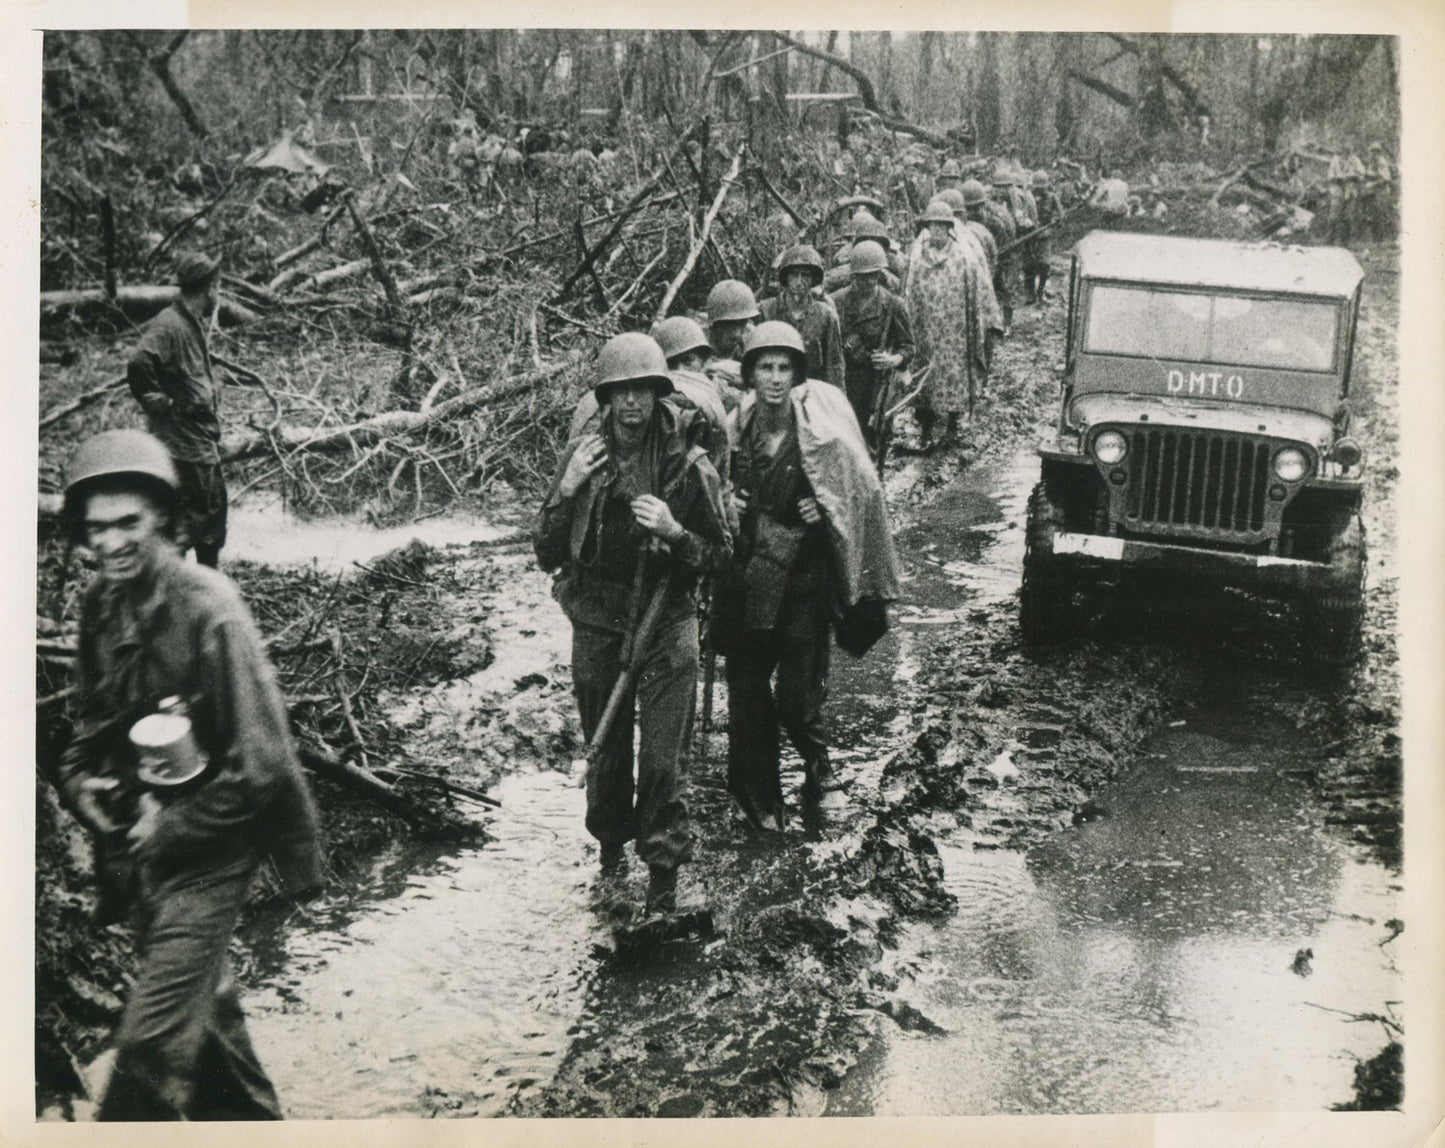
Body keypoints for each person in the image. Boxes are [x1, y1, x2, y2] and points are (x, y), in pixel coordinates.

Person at [55, 429, 322, 1121]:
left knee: (148, 1051)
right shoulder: (100, 606)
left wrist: (168, 824)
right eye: (96, 530)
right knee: (210, 1036)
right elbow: (88, 731)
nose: (110, 544)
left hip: (215, 847)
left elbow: (263, 765)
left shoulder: (211, 610)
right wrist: (84, 787)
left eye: (127, 525)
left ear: (164, 522)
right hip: (143, 851)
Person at [534, 333, 732, 914]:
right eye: (620, 394)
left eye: (643, 392)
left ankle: (663, 883)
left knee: (664, 758)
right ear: (605, 399)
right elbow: (545, 550)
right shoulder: (584, 457)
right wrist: (566, 491)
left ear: (657, 394)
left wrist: (675, 533)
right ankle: (610, 859)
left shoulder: (687, 464)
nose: (632, 406)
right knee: (607, 754)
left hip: (667, 616)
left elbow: (722, 556)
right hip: (597, 614)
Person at [714, 322, 900, 831]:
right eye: (764, 367)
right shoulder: (734, 430)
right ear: (749, 374)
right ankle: (759, 800)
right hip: (749, 580)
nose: (774, 378)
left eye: (784, 368)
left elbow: (853, 493)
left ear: (797, 374)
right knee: (749, 696)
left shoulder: (819, 435)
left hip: (801, 582)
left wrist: (823, 512)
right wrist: (725, 502)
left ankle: (820, 771)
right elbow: (709, 491)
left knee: (797, 701)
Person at [126, 252, 229, 568]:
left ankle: (201, 585)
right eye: (218, 287)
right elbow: (138, 362)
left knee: (209, 515)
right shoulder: (170, 324)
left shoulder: (188, 322)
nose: (219, 295)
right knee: (198, 519)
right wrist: (162, 403)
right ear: (209, 287)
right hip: (184, 443)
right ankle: (174, 580)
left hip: (195, 439)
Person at [904, 200, 1001, 447]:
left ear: (949, 228)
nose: (936, 231)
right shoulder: (917, 256)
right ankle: (925, 430)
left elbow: (975, 296)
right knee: (925, 378)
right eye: (932, 225)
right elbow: (910, 294)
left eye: (941, 226)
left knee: (954, 378)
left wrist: (974, 329)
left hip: (954, 333)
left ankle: (951, 426)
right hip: (925, 331)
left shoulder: (963, 258)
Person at [830, 240, 914, 452]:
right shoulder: (836, 302)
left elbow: (909, 347)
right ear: (853, 275)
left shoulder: (892, 305)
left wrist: (892, 359)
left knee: (871, 440)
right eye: (862, 276)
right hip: (842, 380)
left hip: (874, 383)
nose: (868, 282)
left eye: (873, 276)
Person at [760, 245, 846, 389]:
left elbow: (834, 366)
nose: (799, 281)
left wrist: (836, 402)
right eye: (794, 274)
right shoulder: (766, 311)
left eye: (805, 275)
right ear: (786, 277)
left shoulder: (825, 316)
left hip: (812, 392)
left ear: (813, 280)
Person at [704, 279, 761, 393]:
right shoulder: (699, 340)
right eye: (729, 324)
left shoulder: (751, 336)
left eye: (742, 323)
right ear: (714, 323)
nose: (736, 333)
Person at [982, 174, 1020, 333]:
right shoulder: (993, 207)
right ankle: (998, 323)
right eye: (1004, 187)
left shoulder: (1006, 207)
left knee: (1007, 289)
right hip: (999, 252)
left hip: (1008, 253)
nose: (1008, 190)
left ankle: (1006, 324)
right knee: (997, 288)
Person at [1024, 170, 1064, 305]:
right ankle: (1029, 292)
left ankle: (1040, 290)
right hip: (1029, 236)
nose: (1040, 190)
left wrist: (1054, 221)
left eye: (1042, 187)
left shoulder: (1052, 198)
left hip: (1045, 236)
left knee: (1044, 265)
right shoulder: (1028, 197)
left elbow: (1059, 215)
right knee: (1028, 264)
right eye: (1037, 187)